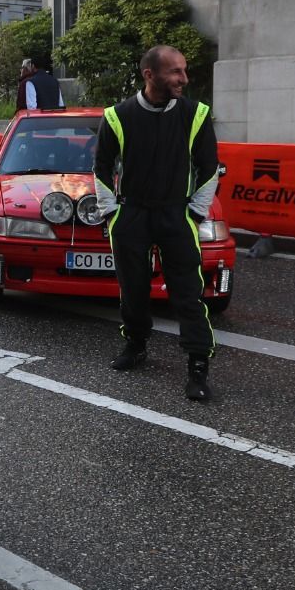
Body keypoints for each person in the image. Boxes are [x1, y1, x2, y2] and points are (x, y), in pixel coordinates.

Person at [93, 45, 219, 402]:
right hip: (131, 215)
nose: (184, 79)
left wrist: (194, 213)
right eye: (175, 72)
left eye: (184, 70)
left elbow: (210, 168)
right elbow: (100, 168)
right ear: (150, 75)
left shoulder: (195, 114)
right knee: (132, 289)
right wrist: (111, 212)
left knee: (188, 293)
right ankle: (135, 344)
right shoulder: (118, 115)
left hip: (176, 215)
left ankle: (198, 365)